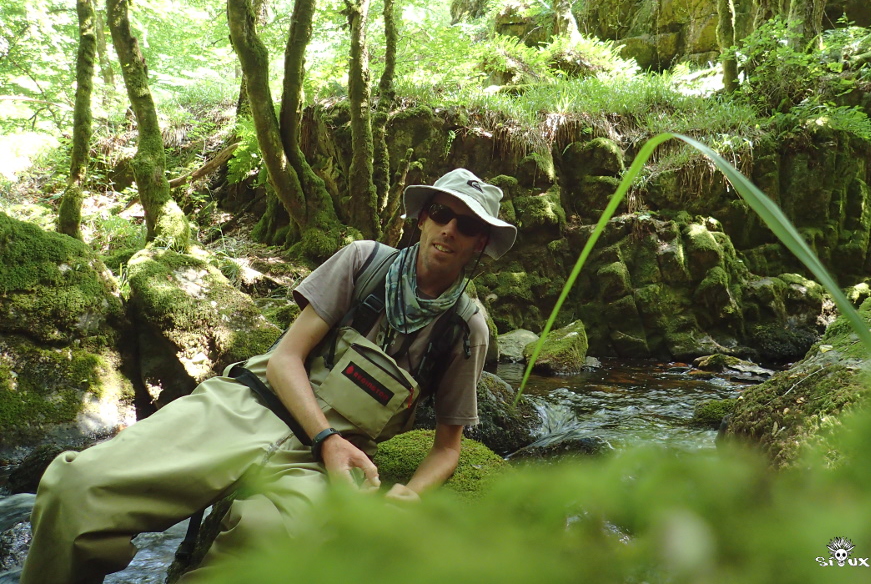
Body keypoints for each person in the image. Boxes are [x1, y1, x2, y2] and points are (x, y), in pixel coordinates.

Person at [19, 168, 517, 584]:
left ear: (480, 245)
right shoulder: (364, 261)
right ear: (422, 218)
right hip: (249, 407)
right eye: (441, 212)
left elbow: (448, 448)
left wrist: (409, 492)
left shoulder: (465, 327)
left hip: (324, 465)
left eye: (468, 224)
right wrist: (324, 435)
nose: (450, 229)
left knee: (262, 548)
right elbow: (284, 359)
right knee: (76, 489)